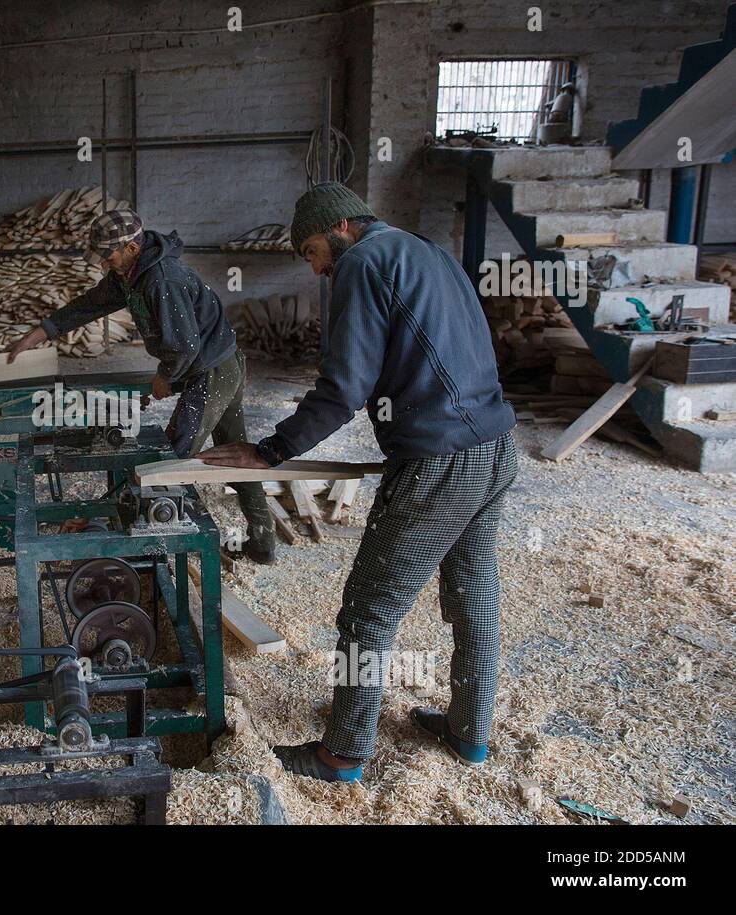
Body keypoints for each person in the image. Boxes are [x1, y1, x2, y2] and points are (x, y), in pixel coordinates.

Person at [198, 183, 518, 780]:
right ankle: (470, 733)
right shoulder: (427, 251)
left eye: (313, 250)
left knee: (368, 612)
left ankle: (342, 752)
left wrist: (273, 450)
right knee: (474, 597)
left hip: (439, 460)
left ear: (342, 227)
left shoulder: (362, 262)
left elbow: (343, 388)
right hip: (496, 447)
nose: (316, 266)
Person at [7, 208, 277, 563]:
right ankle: (263, 544)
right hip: (217, 364)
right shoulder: (130, 274)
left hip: (213, 371)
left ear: (132, 247)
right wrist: (42, 332)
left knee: (171, 459)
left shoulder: (160, 280)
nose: (104, 264)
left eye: (108, 256)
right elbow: (93, 303)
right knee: (237, 455)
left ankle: (155, 548)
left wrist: (165, 377)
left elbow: (184, 347)